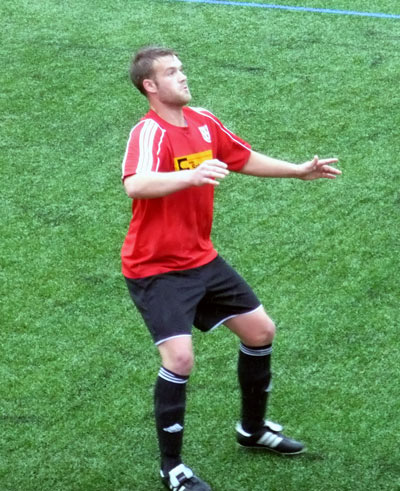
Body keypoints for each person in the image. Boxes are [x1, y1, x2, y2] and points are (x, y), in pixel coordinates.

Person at [121, 46, 341, 491]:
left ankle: (252, 430)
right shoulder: (149, 132)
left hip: (201, 258)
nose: (183, 76)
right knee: (180, 359)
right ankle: (172, 468)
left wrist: (297, 171)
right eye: (171, 72)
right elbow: (136, 183)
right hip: (155, 268)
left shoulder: (203, 121)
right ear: (150, 85)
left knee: (260, 332)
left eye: (182, 68)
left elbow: (241, 157)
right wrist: (189, 176)